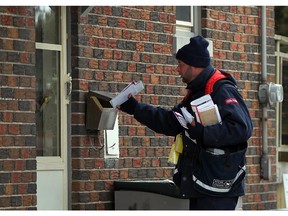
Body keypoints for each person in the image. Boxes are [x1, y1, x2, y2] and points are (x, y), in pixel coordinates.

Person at [118, 35, 253, 210]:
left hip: (218, 186)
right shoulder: (198, 92)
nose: (177, 69)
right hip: (201, 184)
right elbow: (170, 122)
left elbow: (242, 128)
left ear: (193, 65)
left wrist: (204, 133)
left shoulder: (222, 90)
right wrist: (135, 108)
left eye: (180, 64)